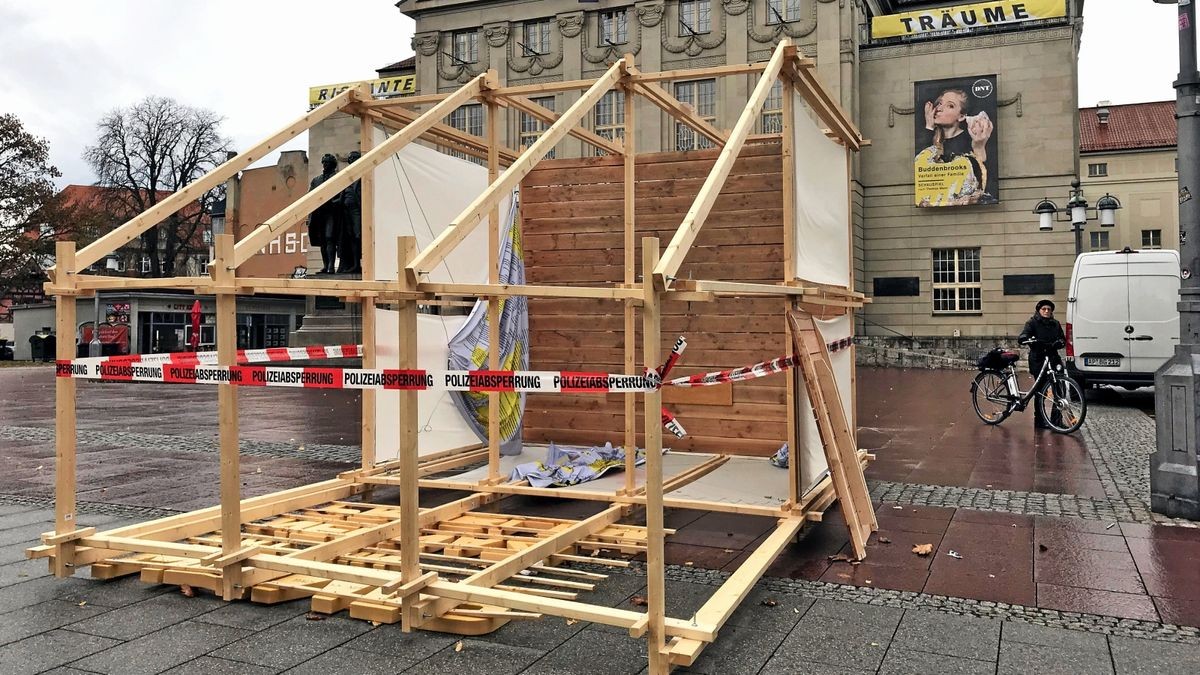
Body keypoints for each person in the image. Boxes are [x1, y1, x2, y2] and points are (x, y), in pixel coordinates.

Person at [916, 88, 995, 206]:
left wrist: (979, 149)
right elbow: (919, 167)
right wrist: (929, 127)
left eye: (950, 106)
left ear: (962, 116)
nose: (939, 108)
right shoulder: (929, 138)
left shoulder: (973, 138)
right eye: (940, 103)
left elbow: (986, 183)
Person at [1018, 299, 1066, 429]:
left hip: (1053, 358)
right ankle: (1039, 420)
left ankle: (1056, 420)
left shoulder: (1055, 324)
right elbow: (1024, 335)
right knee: (1041, 390)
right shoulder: (1032, 323)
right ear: (1039, 310)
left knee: (1060, 389)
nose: (1046, 311)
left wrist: (1060, 342)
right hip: (1038, 359)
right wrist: (1027, 339)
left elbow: (1062, 338)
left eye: (1049, 309)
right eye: (1044, 309)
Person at [306, 153, 344, 274]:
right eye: (324, 162)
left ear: (332, 164)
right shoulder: (316, 180)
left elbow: (342, 196)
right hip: (319, 214)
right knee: (322, 240)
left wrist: (334, 203)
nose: (325, 164)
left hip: (332, 214)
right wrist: (309, 215)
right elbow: (310, 197)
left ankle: (331, 266)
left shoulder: (338, 177)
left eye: (327, 162)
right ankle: (326, 265)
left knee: (330, 238)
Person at [338, 150, 363, 274]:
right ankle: (354, 264)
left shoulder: (364, 174)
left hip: (358, 211)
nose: (352, 161)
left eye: (354, 159)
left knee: (358, 236)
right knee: (350, 237)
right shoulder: (347, 176)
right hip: (346, 211)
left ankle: (359, 264)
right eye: (351, 159)